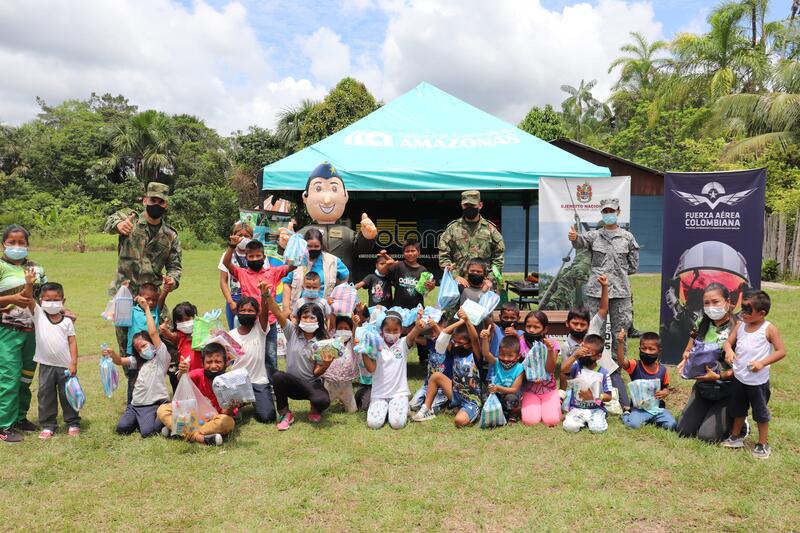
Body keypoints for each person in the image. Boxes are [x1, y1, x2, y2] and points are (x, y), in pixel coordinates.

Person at [103, 182, 181, 392]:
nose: (156, 204)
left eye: (161, 201)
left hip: (154, 296)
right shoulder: (130, 219)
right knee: (128, 345)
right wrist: (118, 226)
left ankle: (179, 391)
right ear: (145, 200)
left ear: (166, 205)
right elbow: (109, 222)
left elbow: (175, 267)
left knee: (168, 339)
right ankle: (135, 395)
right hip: (125, 296)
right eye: (152, 200)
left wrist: (173, 280)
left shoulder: (170, 235)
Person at [568, 197, 638, 376]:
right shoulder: (594, 236)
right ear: (602, 213)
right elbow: (579, 242)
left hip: (621, 292)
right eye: (605, 211)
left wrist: (618, 275)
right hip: (595, 292)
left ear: (618, 212)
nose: (608, 214)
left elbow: (633, 266)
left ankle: (616, 373)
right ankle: (589, 367)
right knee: (592, 331)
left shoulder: (627, 237)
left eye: (611, 211)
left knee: (620, 333)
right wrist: (574, 238)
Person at [721, 290, 785, 459]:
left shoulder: (769, 329)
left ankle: (762, 444)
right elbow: (728, 342)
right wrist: (728, 351)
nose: (743, 313)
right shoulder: (741, 325)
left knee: (760, 414)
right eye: (742, 308)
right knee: (738, 409)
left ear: (761, 313)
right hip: (740, 378)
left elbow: (781, 351)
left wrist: (762, 363)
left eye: (748, 310)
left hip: (757, 382)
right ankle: (735, 437)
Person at [0, 224, 48, 442]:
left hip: (32, 331)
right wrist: (10, 299)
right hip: (7, 331)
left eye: (21, 243)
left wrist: (62, 311)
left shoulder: (37, 268)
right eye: (12, 243)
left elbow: (46, 296)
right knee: (8, 376)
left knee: (26, 377)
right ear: (4, 244)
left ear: (28, 245)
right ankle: (4, 424)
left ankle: (20, 417)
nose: (17, 247)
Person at [675, 283, 738, 442]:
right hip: (703, 386)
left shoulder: (739, 327)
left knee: (707, 437)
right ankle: (707, 411)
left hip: (727, 388)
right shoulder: (701, 323)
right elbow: (688, 350)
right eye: (706, 303)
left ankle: (740, 422)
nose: (711, 307)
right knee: (683, 431)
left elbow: (743, 369)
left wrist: (719, 376)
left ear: (728, 301)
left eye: (716, 302)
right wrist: (686, 360)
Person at [223, 234, 293, 377]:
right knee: (246, 355)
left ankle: (273, 388)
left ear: (264, 256)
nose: (255, 259)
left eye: (258, 256)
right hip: (249, 322)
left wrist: (291, 245)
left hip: (270, 323)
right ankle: (247, 382)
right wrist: (231, 246)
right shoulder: (241, 273)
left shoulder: (273, 272)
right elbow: (226, 263)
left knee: (271, 357)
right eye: (251, 256)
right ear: (246, 258)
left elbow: (293, 266)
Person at [265, 289, 333, 430]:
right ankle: (285, 414)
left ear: (319, 321)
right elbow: (277, 313)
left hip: (311, 384)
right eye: (305, 317)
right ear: (299, 318)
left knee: (323, 400)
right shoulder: (292, 331)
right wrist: (267, 295)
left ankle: (315, 408)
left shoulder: (323, 341)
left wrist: (327, 363)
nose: (308, 320)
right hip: (292, 383)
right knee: (278, 376)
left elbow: (316, 373)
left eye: (312, 318)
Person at [105, 296, 170, 437]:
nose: (142, 350)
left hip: (151, 404)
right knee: (122, 429)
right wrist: (112, 354)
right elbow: (120, 361)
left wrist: (147, 308)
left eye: (144, 345)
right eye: (138, 349)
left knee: (147, 432)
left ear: (152, 343)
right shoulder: (138, 361)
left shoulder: (161, 357)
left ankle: (165, 412)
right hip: (135, 405)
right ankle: (141, 420)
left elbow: (153, 332)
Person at [294, 162, 377, 273]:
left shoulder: (347, 233)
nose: (327, 200)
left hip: (341, 284)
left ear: (345, 196)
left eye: (334, 189)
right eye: (318, 189)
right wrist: (284, 244)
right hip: (311, 284)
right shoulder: (303, 233)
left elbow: (360, 248)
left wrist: (367, 237)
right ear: (305, 197)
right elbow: (291, 256)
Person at [26, 280, 80, 439]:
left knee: (68, 394)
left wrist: (73, 362)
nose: (51, 303)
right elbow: (28, 298)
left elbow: (72, 342)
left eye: (55, 299)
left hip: (65, 366)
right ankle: (48, 425)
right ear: (41, 301)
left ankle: (73, 422)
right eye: (47, 300)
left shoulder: (67, 321)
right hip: (46, 366)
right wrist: (28, 284)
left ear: (63, 301)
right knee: (45, 395)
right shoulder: (39, 316)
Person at [412, 310, 484, 427]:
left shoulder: (475, 355)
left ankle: (473, 411)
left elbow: (475, 339)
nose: (455, 344)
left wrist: (467, 321)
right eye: (454, 341)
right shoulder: (454, 351)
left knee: (459, 421)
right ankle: (427, 409)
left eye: (459, 342)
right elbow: (444, 333)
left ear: (469, 344)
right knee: (436, 376)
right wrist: (459, 322)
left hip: (471, 399)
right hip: (455, 394)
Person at [157, 342, 235, 446]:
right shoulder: (199, 373)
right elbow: (182, 378)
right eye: (209, 362)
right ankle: (199, 437)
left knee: (228, 422)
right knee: (162, 410)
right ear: (202, 363)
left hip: (210, 421)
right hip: (191, 417)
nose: (213, 365)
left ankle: (180, 432)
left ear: (225, 363)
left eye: (218, 361)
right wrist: (182, 372)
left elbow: (225, 413)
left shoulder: (229, 382)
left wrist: (230, 406)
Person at [362, 310, 425, 429]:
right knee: (373, 424)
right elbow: (371, 369)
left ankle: (400, 407)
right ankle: (386, 408)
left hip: (398, 394)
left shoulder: (403, 344)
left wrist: (417, 326)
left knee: (397, 424)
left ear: (401, 331)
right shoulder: (376, 345)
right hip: (379, 394)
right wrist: (363, 352)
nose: (391, 333)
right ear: (382, 331)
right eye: (388, 330)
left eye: (395, 330)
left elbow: (413, 335)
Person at [227, 285, 276, 424]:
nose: (246, 313)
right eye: (243, 310)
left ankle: (255, 401)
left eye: (250, 310)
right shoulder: (230, 335)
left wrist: (264, 295)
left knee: (268, 417)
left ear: (257, 313)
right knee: (227, 412)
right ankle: (239, 404)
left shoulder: (260, 329)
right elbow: (225, 360)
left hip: (258, 381)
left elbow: (265, 313)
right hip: (237, 382)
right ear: (237, 313)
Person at [438, 190, 505, 287]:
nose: (469, 208)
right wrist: (455, 276)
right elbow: (443, 256)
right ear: (462, 205)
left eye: (472, 205)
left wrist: (490, 278)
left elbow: (499, 257)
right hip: (459, 285)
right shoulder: (452, 229)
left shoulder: (491, 229)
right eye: (466, 205)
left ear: (480, 205)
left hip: (484, 286)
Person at [616, 330, 676, 431]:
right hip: (639, 409)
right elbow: (621, 362)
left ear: (659, 351)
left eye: (651, 349)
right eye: (644, 348)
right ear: (639, 349)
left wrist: (665, 392)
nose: (647, 352)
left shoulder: (663, 370)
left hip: (657, 409)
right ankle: (626, 415)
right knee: (633, 425)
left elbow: (666, 388)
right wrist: (620, 343)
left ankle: (653, 419)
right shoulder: (635, 365)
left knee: (672, 425)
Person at [122, 281, 169, 405]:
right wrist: (124, 290)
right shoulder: (132, 310)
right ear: (139, 297)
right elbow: (119, 308)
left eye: (154, 299)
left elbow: (161, 299)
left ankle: (152, 403)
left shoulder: (155, 311)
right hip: (135, 353)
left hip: (151, 353)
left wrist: (165, 289)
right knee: (133, 380)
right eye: (148, 299)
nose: (151, 302)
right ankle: (130, 406)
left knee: (151, 379)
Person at [283, 228, 349, 311]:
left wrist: (336, 296)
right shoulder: (297, 260)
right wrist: (286, 308)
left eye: (316, 246)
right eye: (309, 246)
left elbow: (345, 276)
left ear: (321, 245)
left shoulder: (332, 261)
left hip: (322, 311)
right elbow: (287, 283)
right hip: (298, 310)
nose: (313, 249)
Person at [516, 311, 561, 427]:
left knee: (552, 421)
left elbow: (550, 370)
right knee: (530, 421)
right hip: (529, 390)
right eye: (528, 326)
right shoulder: (520, 344)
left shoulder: (552, 344)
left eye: (536, 327)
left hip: (549, 390)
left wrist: (550, 351)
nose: (531, 330)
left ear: (545, 329)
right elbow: (517, 369)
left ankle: (557, 400)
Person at [561, 334, 612, 433]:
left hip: (596, 408)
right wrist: (575, 355)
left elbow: (609, 397)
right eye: (583, 351)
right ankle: (580, 420)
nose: (584, 355)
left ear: (598, 356)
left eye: (589, 353)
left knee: (597, 429)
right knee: (569, 427)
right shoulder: (576, 366)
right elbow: (563, 369)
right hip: (577, 408)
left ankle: (599, 418)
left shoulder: (603, 372)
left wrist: (594, 396)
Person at [479, 332, 525, 424]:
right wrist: (485, 339)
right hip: (496, 393)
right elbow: (486, 354)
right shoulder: (497, 362)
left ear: (518, 356)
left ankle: (513, 414)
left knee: (511, 399)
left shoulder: (520, 368)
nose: (505, 359)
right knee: (483, 395)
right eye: (502, 355)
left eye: (510, 356)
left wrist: (499, 388)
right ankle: (498, 412)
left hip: (509, 394)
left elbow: (514, 389)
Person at [218, 221, 253, 329]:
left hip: (252, 303)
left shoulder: (256, 255)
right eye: (239, 235)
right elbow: (223, 281)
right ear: (234, 236)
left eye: (246, 236)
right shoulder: (227, 255)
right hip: (234, 301)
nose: (242, 238)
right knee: (234, 335)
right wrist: (230, 302)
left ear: (252, 237)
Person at [322, 315, 360, 413]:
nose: (343, 330)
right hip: (330, 381)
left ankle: (346, 402)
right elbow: (326, 327)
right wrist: (329, 316)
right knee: (323, 408)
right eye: (340, 328)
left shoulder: (352, 343)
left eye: (346, 328)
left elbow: (355, 333)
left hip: (346, 383)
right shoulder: (332, 340)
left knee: (352, 411)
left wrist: (355, 324)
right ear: (335, 330)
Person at [158, 301, 200, 391]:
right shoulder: (180, 336)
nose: (184, 323)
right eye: (180, 321)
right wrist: (164, 330)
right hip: (185, 375)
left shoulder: (201, 333)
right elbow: (170, 335)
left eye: (187, 319)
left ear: (194, 317)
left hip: (201, 374)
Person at [382, 241, 436, 310]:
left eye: (413, 251)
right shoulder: (398, 266)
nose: (410, 253)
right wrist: (386, 263)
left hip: (416, 309)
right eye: (407, 251)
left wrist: (431, 287)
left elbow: (425, 291)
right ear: (403, 253)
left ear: (419, 253)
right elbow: (382, 273)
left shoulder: (423, 270)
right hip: (398, 309)